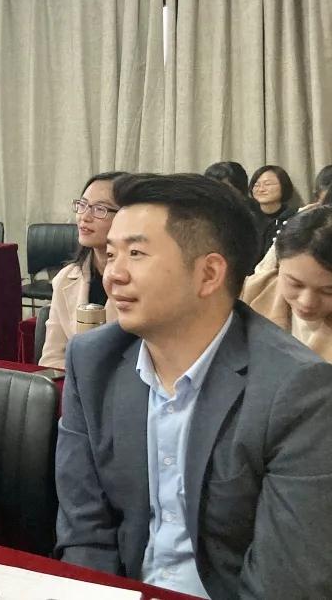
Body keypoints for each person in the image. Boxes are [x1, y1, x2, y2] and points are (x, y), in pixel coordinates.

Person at [55, 173, 332, 599]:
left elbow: (284, 581)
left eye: (136, 253)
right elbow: (84, 528)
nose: (113, 275)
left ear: (209, 274)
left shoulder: (298, 390)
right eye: (111, 254)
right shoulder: (93, 362)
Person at [38, 172, 124, 369]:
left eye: (100, 209)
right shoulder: (65, 279)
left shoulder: (142, 281)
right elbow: (52, 358)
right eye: (82, 205)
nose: (84, 217)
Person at [243, 206, 332, 362]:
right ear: (278, 264)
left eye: (328, 291)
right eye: (295, 284)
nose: (307, 302)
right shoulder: (252, 292)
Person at [249, 164, 298, 257]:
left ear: (283, 186)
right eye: (256, 185)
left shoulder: (294, 217)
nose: (261, 189)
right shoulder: (247, 216)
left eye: (267, 184)